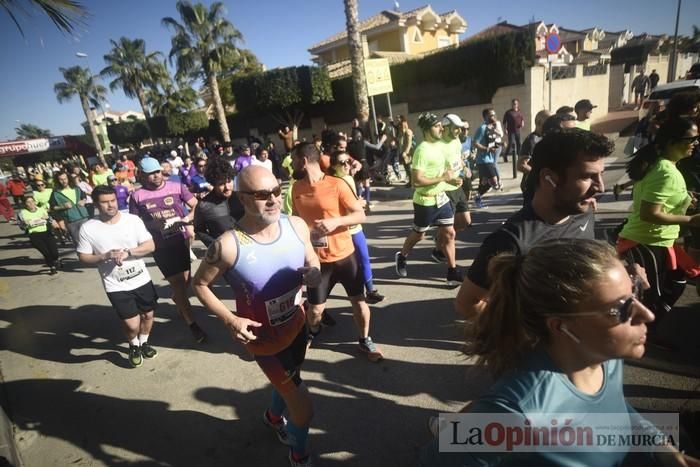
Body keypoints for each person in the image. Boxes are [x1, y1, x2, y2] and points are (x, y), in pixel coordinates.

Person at [422, 239, 696, 467]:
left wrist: (661, 447)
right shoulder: (515, 411)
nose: (647, 314)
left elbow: (613, 413)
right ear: (561, 326)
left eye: (634, 292)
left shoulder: (604, 359)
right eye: (622, 309)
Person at [192, 165, 320, 467]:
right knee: (304, 411)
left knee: (293, 379)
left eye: (277, 191)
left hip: (297, 324)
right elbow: (199, 285)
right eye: (263, 195)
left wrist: (313, 273)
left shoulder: (297, 225)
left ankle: (273, 417)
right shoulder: (227, 245)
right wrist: (230, 319)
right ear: (243, 198)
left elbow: (310, 255)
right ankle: (299, 456)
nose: (274, 199)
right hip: (265, 342)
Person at [455, 129, 613, 320]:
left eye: (600, 175)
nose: (600, 187)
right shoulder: (510, 241)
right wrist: (528, 336)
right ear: (549, 178)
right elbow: (467, 303)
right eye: (587, 177)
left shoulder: (583, 213)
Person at [290, 142, 384, 361]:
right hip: (318, 261)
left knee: (359, 302)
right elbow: (296, 219)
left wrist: (336, 222)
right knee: (314, 312)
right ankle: (313, 331)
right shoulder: (296, 188)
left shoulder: (337, 184)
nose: (291, 164)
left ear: (304, 161)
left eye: (294, 159)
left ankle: (364, 340)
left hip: (345, 257)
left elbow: (360, 215)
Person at [616, 118, 700, 342]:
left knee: (676, 283)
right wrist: (690, 218)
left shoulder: (665, 165)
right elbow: (648, 213)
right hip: (646, 240)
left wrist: (684, 200)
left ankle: (644, 331)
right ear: (672, 141)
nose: (696, 143)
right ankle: (637, 334)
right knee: (652, 293)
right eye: (691, 139)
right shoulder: (665, 170)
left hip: (660, 240)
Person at [77, 185, 159, 368]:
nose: (110, 205)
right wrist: (104, 256)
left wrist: (128, 253)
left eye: (113, 200)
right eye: (105, 202)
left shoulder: (132, 220)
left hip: (141, 279)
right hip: (116, 284)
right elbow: (83, 257)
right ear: (96, 205)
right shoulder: (88, 228)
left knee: (148, 315)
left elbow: (150, 245)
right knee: (131, 325)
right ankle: (133, 345)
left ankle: (144, 343)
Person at [129, 157, 206, 343]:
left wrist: (187, 219)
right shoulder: (136, 196)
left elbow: (197, 205)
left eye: (157, 172)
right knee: (179, 285)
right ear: (142, 175)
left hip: (181, 241)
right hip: (160, 247)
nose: (155, 176)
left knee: (185, 282)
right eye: (150, 174)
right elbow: (133, 223)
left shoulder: (176, 186)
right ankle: (193, 325)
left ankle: (178, 299)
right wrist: (152, 224)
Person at [394, 112, 464, 287]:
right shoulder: (422, 150)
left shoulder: (440, 145)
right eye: (436, 126)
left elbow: (446, 167)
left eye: (440, 125)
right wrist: (443, 178)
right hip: (425, 201)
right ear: (426, 129)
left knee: (450, 233)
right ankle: (402, 256)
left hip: (442, 198)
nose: (441, 128)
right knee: (419, 234)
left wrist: (454, 176)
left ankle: (452, 272)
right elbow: (417, 181)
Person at [328, 150, 385, 304]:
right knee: (338, 269)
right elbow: (334, 208)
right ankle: (318, 302)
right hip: (342, 230)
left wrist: (357, 202)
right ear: (333, 166)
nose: (347, 165)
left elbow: (352, 200)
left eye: (348, 161)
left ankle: (371, 290)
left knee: (364, 258)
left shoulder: (349, 178)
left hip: (355, 227)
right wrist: (356, 205)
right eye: (342, 163)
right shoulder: (331, 183)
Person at [430, 114, 472, 263]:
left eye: (459, 128)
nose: (458, 131)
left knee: (465, 222)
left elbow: (458, 157)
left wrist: (464, 167)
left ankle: (440, 236)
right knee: (449, 228)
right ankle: (439, 249)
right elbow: (433, 170)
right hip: (445, 189)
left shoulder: (456, 141)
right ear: (446, 127)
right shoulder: (437, 145)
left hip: (458, 186)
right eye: (455, 128)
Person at [193, 156, 238, 247]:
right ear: (213, 183)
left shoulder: (241, 198)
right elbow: (199, 230)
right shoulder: (203, 206)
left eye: (229, 181)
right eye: (221, 184)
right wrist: (215, 245)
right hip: (225, 253)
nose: (227, 187)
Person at [18, 195, 59, 274]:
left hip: (47, 233)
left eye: (32, 201)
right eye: (28, 202)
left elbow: (50, 219)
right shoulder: (22, 213)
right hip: (34, 235)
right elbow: (21, 227)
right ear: (25, 204)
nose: (31, 203)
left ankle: (55, 260)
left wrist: (48, 218)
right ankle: (52, 267)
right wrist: (24, 223)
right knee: (46, 252)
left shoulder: (41, 210)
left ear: (35, 202)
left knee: (54, 253)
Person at [49, 171, 90, 247]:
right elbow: (52, 207)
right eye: (61, 179)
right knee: (78, 242)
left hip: (84, 216)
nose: (64, 181)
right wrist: (63, 207)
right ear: (57, 180)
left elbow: (84, 196)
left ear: (68, 178)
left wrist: (83, 201)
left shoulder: (76, 188)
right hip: (71, 221)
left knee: (90, 238)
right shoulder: (56, 193)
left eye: (65, 179)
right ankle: (83, 257)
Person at [473, 108, 502, 208]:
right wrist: (487, 149)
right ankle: (477, 197)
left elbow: (493, 141)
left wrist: (500, 144)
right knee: (494, 182)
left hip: (489, 159)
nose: (493, 117)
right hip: (483, 160)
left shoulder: (491, 128)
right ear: (485, 117)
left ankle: (477, 198)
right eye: (491, 115)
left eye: (494, 115)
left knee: (484, 182)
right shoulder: (482, 128)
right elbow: (475, 143)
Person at [517, 109, 551, 193]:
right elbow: (521, 165)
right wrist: (541, 175)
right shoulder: (532, 140)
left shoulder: (546, 137)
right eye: (549, 121)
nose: (552, 124)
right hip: (532, 186)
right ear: (539, 122)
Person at [502, 98, 525, 163]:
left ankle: (519, 157)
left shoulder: (519, 111)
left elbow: (522, 119)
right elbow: (504, 122)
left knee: (519, 144)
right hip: (510, 131)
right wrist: (505, 129)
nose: (514, 105)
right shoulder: (508, 112)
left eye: (515, 103)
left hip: (518, 130)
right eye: (513, 103)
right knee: (511, 144)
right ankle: (505, 155)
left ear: (517, 104)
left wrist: (523, 123)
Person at [397, 115, 414, 186]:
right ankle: (410, 181)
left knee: (409, 167)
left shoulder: (408, 132)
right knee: (406, 167)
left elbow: (409, 143)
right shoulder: (403, 133)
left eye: (402, 125)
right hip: (404, 152)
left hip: (408, 152)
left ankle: (412, 182)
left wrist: (405, 152)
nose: (401, 127)